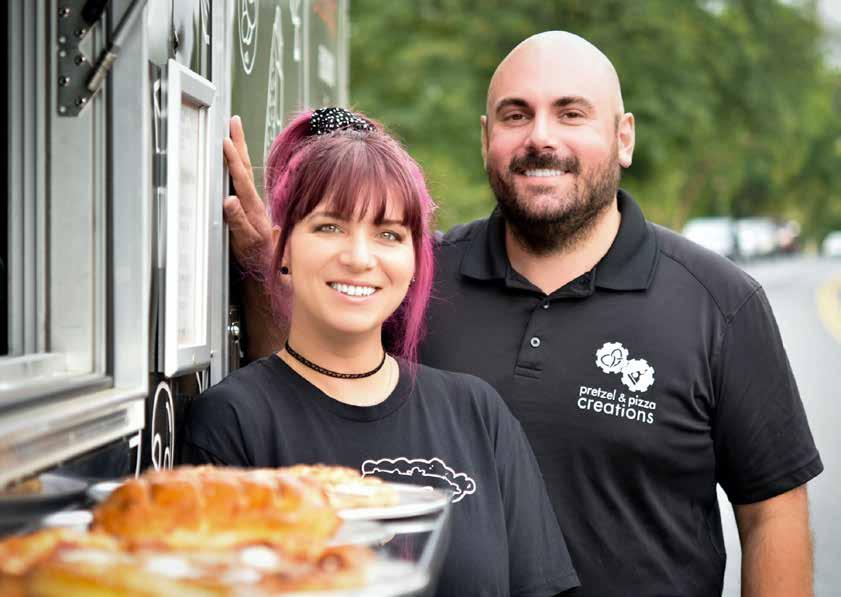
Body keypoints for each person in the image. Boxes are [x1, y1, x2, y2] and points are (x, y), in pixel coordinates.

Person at [225, 33, 822, 597]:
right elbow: (308, 396)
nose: (541, 138)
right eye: (516, 115)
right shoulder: (412, 280)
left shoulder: (719, 304)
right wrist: (269, 274)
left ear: (624, 137)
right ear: (487, 138)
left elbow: (772, 513)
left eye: (571, 113)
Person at [182, 108, 580, 597]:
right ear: (282, 250)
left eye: (389, 234)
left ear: (414, 261)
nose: (359, 257)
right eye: (329, 227)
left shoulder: (478, 413)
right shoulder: (231, 422)